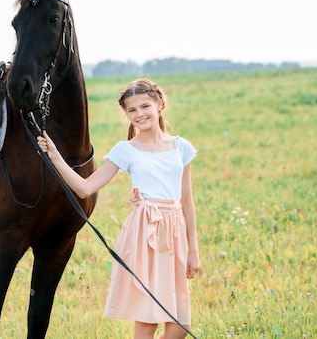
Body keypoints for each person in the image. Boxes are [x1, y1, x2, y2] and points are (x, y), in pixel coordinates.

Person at [37, 78, 201, 339]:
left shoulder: (181, 147)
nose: (139, 114)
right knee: (148, 322)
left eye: (144, 106)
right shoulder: (126, 150)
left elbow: (187, 202)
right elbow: (85, 188)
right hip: (145, 235)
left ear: (160, 105)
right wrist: (55, 156)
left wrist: (194, 251)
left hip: (174, 235)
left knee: (180, 326)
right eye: (131, 110)